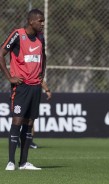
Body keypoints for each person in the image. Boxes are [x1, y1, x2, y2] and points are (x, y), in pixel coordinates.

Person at [0, 9, 46, 170]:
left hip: (35, 87)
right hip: (21, 86)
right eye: (40, 21)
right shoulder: (18, 35)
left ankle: (24, 162)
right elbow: (1, 53)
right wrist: (9, 77)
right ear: (31, 21)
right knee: (17, 121)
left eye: (43, 21)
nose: (42, 24)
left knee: (29, 123)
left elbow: (43, 55)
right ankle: (11, 162)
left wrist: (42, 75)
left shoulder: (41, 37)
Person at [29, 80, 52, 149]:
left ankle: (19, 141)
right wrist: (47, 90)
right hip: (28, 95)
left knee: (21, 119)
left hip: (20, 94)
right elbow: (40, 79)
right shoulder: (35, 70)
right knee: (29, 119)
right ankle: (28, 141)